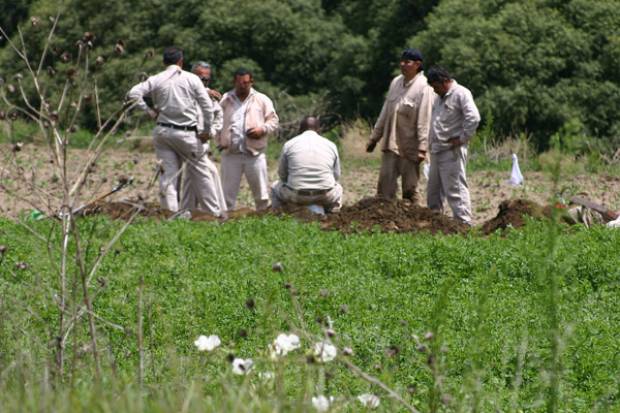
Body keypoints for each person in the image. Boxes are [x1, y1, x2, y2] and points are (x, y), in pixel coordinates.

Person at [127, 47, 225, 217]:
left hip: (163, 132)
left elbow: (133, 93)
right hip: (187, 134)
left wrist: (149, 111)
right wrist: (207, 130)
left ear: (164, 62)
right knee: (202, 176)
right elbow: (207, 107)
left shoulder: (156, 79)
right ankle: (213, 215)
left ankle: (170, 216)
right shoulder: (191, 79)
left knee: (168, 177)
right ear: (181, 61)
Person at [366, 48, 435, 203]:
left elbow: (425, 119)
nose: (402, 65)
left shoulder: (425, 87)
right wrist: (374, 138)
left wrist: (423, 148)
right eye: (402, 61)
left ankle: (412, 222)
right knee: (384, 187)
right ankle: (385, 220)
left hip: (411, 147)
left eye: (407, 62)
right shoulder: (396, 82)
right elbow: (385, 112)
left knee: (410, 190)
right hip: (391, 144)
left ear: (417, 64)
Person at [217, 68, 279, 211]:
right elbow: (216, 120)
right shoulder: (226, 99)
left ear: (251, 82)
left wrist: (261, 130)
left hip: (255, 155)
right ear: (234, 82)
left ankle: (264, 221)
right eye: (239, 83)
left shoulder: (261, 99)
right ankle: (225, 223)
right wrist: (220, 140)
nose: (242, 86)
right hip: (231, 154)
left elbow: (273, 121)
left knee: (262, 195)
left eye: (245, 83)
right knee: (227, 195)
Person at [426, 66, 481, 224]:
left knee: (455, 189)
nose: (434, 90)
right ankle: (434, 223)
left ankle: (464, 224)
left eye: (435, 86)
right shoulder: (439, 98)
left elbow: (474, 118)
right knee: (433, 191)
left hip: (452, 151)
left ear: (443, 82)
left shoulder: (461, 93)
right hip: (437, 150)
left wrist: (462, 138)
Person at [179, 61, 226, 212]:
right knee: (209, 173)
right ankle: (217, 212)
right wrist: (205, 92)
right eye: (201, 78)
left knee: (192, 178)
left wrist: (211, 132)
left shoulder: (210, 95)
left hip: (202, 143)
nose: (204, 82)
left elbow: (218, 115)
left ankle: (186, 212)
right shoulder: (183, 88)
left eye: (206, 79)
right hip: (187, 140)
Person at [271, 116, 342, 212]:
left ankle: (280, 214)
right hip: (325, 196)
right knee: (339, 188)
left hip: (297, 196)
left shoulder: (289, 144)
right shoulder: (331, 145)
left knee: (274, 186)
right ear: (319, 129)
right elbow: (336, 176)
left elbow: (282, 174)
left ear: (300, 129)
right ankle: (333, 214)